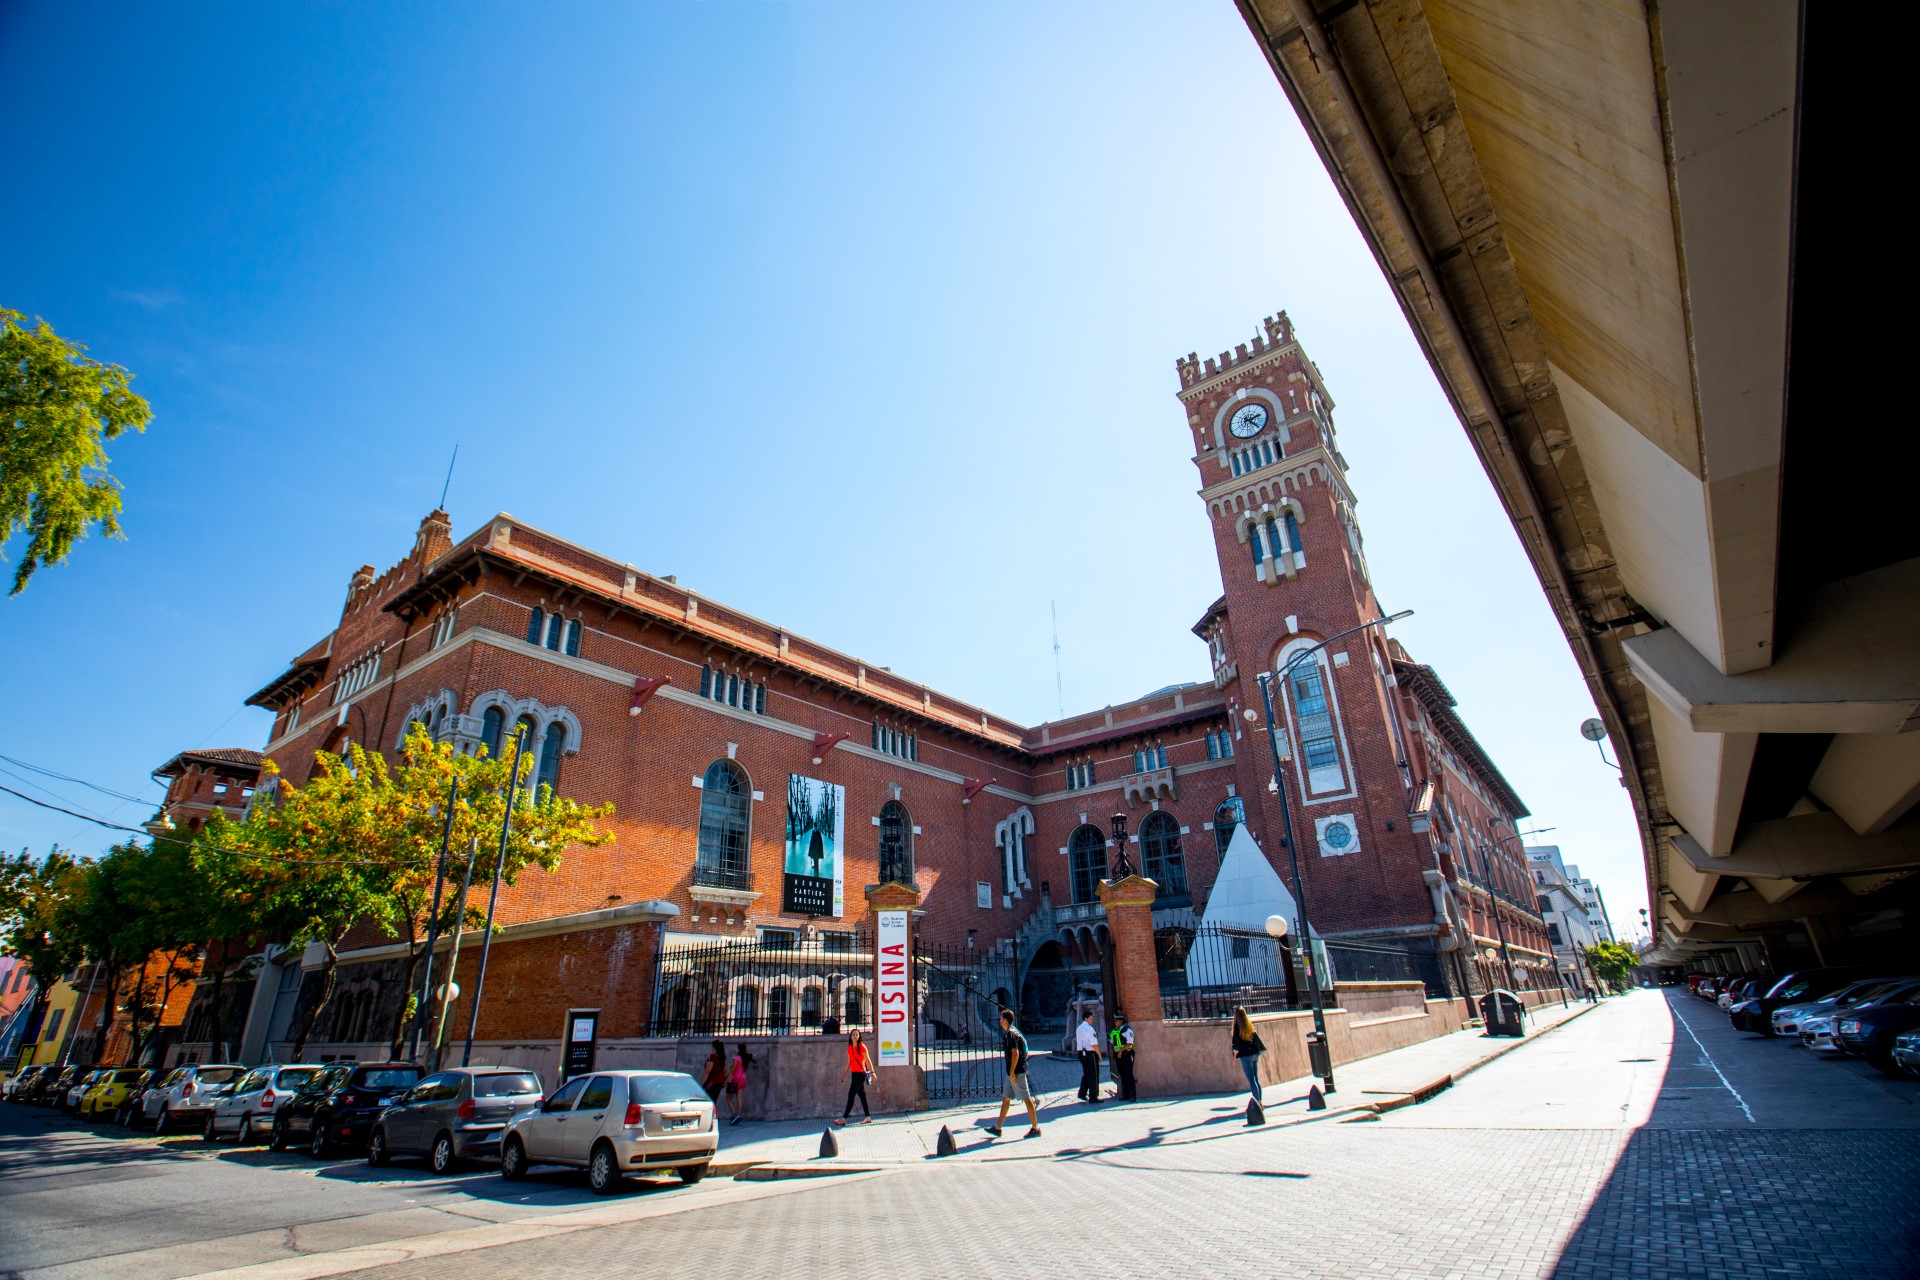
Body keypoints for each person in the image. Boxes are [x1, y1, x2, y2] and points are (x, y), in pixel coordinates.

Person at [986, 1010, 1041, 1139]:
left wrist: (1011, 1072)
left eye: (1001, 1018)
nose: (999, 1020)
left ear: (1005, 1020)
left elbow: (1015, 1053)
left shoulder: (1011, 1034)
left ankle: (1035, 1128)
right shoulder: (1011, 1033)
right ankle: (998, 1128)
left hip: (1016, 1073)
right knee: (1006, 1098)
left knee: (1027, 1099)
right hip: (1011, 1073)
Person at [834, 1028, 875, 1126]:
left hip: (860, 1074)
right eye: (853, 1034)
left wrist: (873, 1072)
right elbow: (849, 1063)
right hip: (854, 1074)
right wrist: (843, 1074)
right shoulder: (849, 1048)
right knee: (862, 1095)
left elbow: (868, 1060)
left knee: (851, 1095)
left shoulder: (862, 1047)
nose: (855, 1036)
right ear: (851, 1036)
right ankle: (868, 1116)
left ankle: (844, 1118)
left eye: (857, 1034)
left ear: (859, 1036)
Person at [1231, 1006, 1265, 1104]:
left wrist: (1234, 1058)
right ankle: (1260, 1101)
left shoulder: (1237, 1027)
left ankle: (1257, 1102)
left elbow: (1236, 1045)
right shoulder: (1249, 1024)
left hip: (1245, 1056)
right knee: (1256, 1078)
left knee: (1251, 1080)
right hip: (1254, 1053)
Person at [1074, 1008, 1103, 1104]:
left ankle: (1082, 1093)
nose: (1092, 1020)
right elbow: (1094, 1044)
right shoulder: (1090, 1029)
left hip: (1081, 1053)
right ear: (1086, 1019)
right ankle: (1093, 1096)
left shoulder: (1079, 1028)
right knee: (1093, 1075)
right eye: (1091, 1018)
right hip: (1090, 1053)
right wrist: (1099, 1055)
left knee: (1086, 1073)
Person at [1108, 1013, 1136, 1102]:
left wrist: (1121, 1050)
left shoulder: (1127, 1031)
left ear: (1121, 1021)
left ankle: (1132, 1095)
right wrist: (1112, 1050)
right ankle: (1125, 1095)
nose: (1115, 1022)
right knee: (1122, 1075)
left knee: (1128, 1074)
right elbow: (1111, 1042)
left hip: (1126, 1054)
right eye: (1114, 1021)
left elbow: (1130, 1044)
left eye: (1116, 1021)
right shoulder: (1114, 1031)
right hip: (1118, 1056)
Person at [726, 1043, 754, 1125]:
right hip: (743, 1079)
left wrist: (727, 1080)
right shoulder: (745, 1058)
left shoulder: (736, 1058)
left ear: (739, 1049)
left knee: (728, 1098)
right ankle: (739, 1115)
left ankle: (734, 1114)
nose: (735, 1049)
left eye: (737, 1048)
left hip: (735, 1079)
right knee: (739, 1098)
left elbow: (732, 1070)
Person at [700, 1039, 727, 1104]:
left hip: (712, 1082)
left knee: (707, 1100)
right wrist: (725, 1081)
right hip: (720, 1082)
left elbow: (707, 1071)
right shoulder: (722, 1057)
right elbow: (725, 1070)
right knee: (714, 1100)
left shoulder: (712, 1057)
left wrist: (700, 1084)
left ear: (714, 1047)